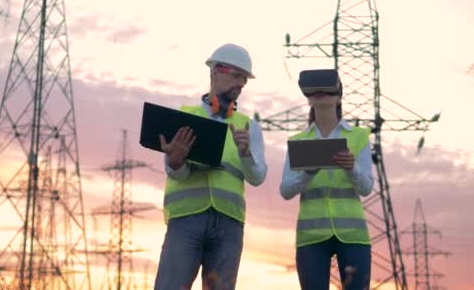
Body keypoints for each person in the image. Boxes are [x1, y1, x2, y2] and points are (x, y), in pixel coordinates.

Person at [153, 43, 268, 290]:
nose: (240, 84)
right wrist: (175, 160)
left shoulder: (249, 127)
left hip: (229, 224)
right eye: (235, 75)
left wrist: (246, 153)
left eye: (244, 79)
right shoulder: (185, 116)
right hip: (186, 219)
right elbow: (177, 173)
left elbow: (258, 177)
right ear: (215, 71)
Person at [280, 69, 374, 290]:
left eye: (328, 90)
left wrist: (352, 168)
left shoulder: (358, 137)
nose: (321, 93)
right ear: (308, 97)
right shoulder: (299, 141)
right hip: (311, 237)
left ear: (339, 96)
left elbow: (366, 187)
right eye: (315, 91)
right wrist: (307, 174)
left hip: (353, 236)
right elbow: (285, 190)